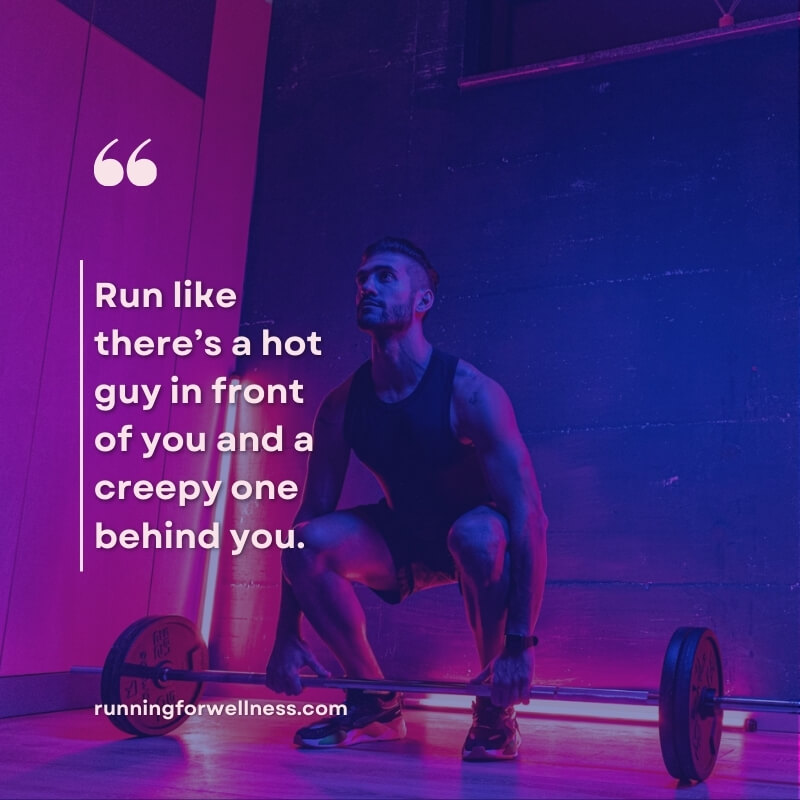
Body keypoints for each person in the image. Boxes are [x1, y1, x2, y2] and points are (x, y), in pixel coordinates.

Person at [265, 237, 548, 760]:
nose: (367, 286)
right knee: (306, 543)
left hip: (474, 539)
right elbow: (310, 512)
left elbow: (529, 518)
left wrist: (519, 645)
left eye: (385, 277)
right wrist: (286, 632)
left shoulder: (472, 393)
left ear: (423, 301)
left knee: (478, 535)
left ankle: (494, 708)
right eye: (362, 278)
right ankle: (374, 700)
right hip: (402, 540)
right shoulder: (342, 406)